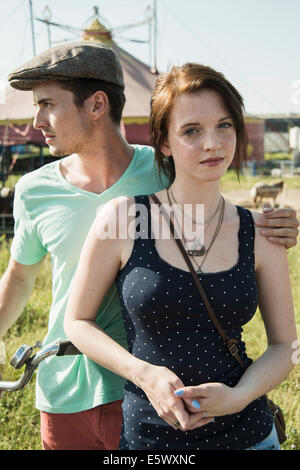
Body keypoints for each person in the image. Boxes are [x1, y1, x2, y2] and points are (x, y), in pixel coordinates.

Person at [0, 43, 298, 451]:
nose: (211, 143)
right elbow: (20, 278)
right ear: (167, 142)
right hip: (88, 395)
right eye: (192, 131)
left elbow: (206, 203)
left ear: (98, 104)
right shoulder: (47, 194)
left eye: (48, 104)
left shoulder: (166, 174)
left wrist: (267, 225)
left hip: (211, 417)